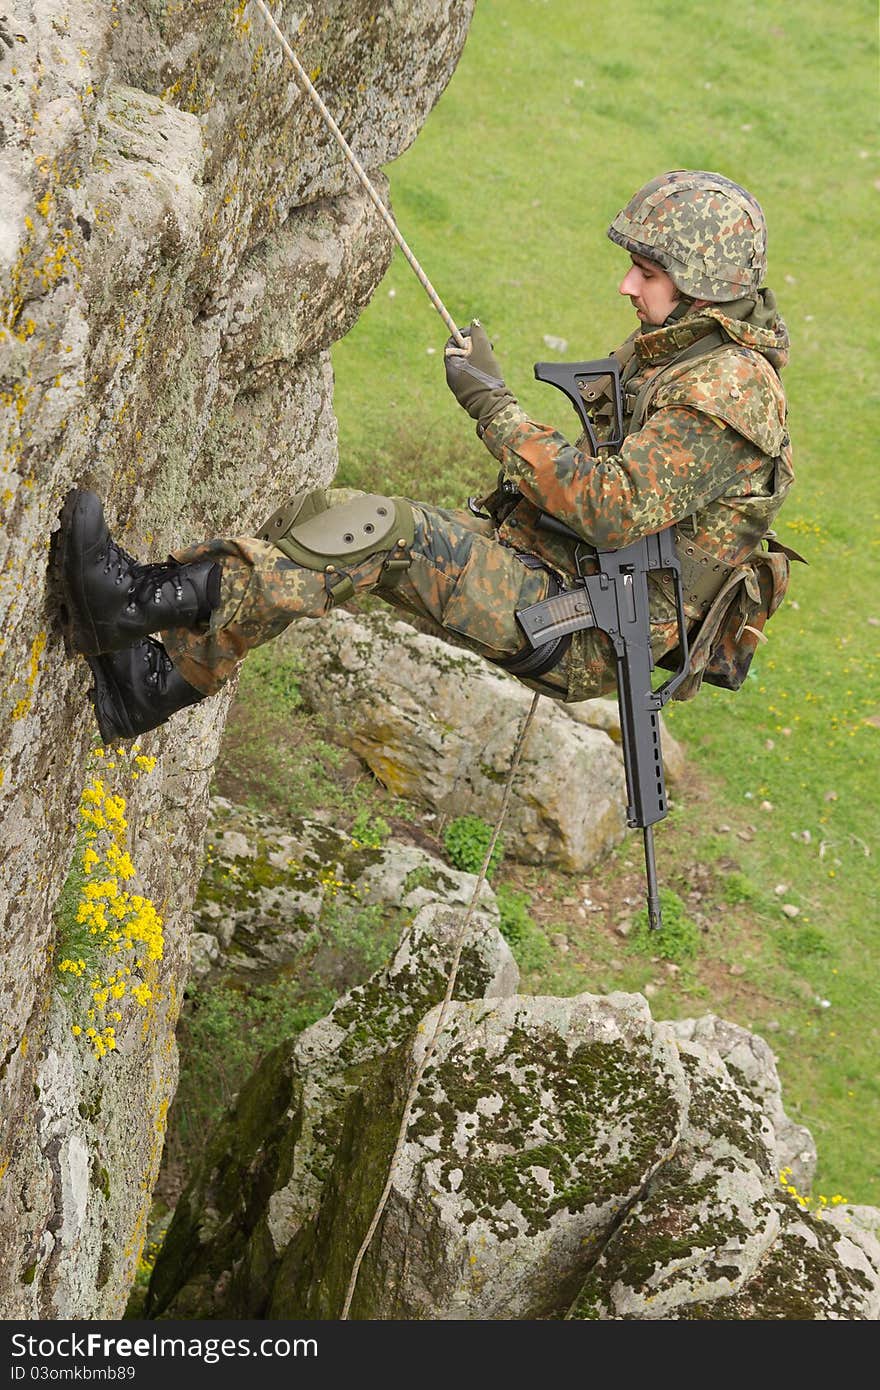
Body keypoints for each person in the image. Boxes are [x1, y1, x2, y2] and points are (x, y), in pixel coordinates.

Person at [56, 169, 794, 743]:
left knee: (383, 534)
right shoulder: (679, 349)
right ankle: (155, 683)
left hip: (588, 625)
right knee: (331, 516)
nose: (628, 285)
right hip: (563, 572)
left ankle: (135, 603)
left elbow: (610, 506)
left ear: (704, 289)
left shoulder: (727, 391)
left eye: (649, 273)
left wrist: (492, 406)